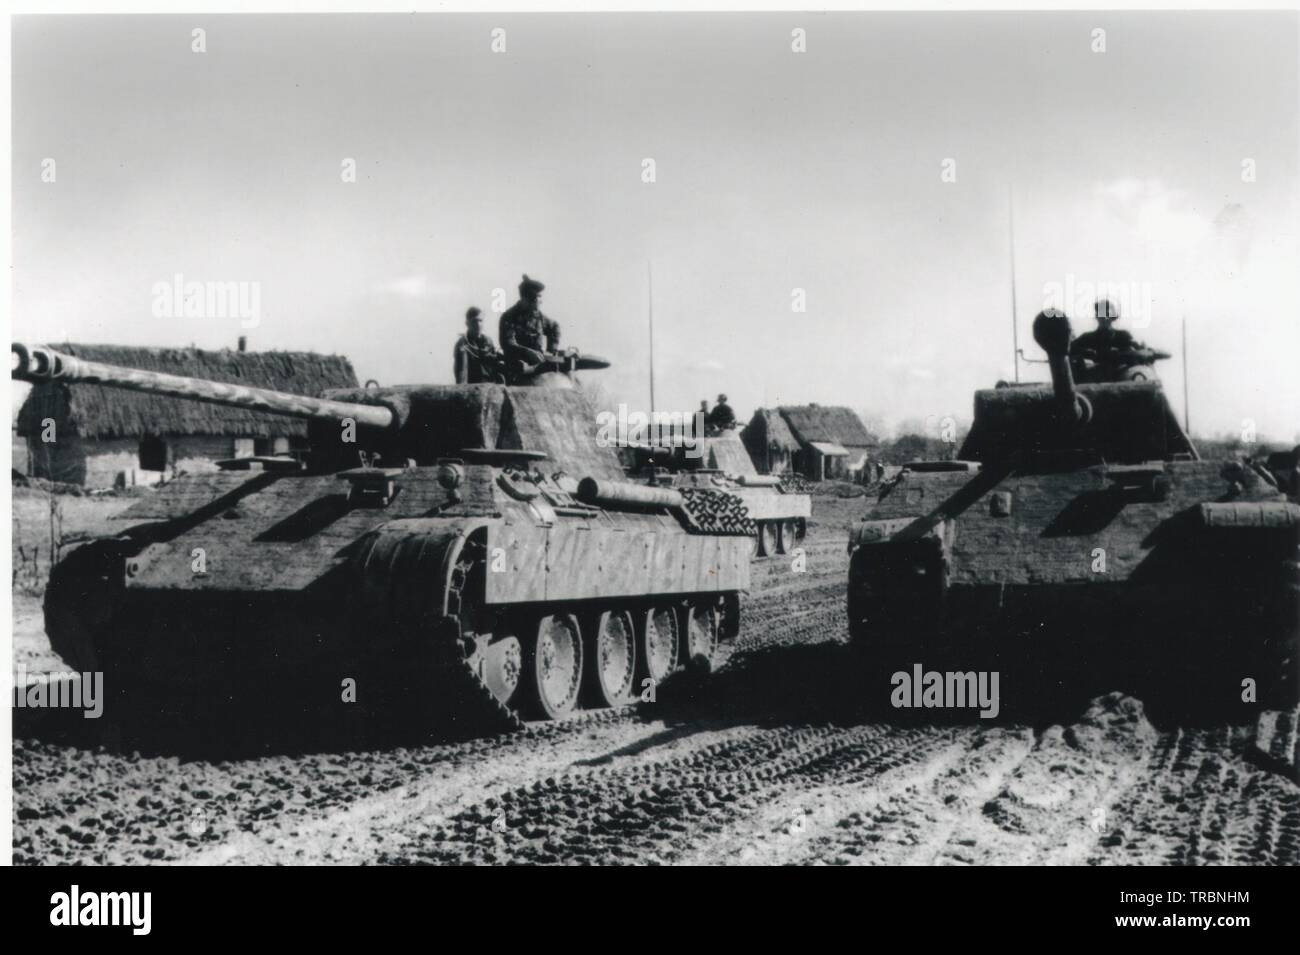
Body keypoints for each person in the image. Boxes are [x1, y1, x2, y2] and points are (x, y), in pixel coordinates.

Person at [499, 274, 561, 380]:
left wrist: (551, 350)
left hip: (539, 364)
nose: (538, 301)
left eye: (540, 297)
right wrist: (527, 352)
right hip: (517, 366)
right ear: (524, 298)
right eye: (534, 299)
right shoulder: (509, 317)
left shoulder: (539, 316)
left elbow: (555, 327)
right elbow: (508, 343)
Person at [1071, 299, 1136, 371]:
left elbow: (1140, 352)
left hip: (1120, 378)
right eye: (1101, 314)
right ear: (1097, 316)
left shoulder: (1123, 336)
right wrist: (1089, 354)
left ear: (1113, 317)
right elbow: (1068, 349)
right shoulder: (1086, 338)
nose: (1104, 318)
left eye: (1107, 314)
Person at [453, 307, 503, 384]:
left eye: (480, 321)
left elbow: (495, 366)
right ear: (467, 323)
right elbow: (462, 375)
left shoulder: (488, 341)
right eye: (474, 321)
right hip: (473, 388)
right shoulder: (463, 345)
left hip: (491, 386)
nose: (478, 324)